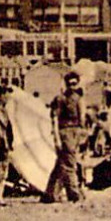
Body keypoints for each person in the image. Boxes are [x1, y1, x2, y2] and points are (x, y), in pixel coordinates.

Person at [43, 73, 90, 204]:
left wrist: (83, 135)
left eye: (74, 84)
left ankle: (50, 194)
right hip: (65, 131)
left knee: (61, 164)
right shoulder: (61, 99)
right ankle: (74, 193)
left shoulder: (80, 99)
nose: (72, 87)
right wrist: (57, 137)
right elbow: (55, 119)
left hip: (76, 132)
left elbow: (82, 119)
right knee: (69, 163)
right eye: (70, 84)